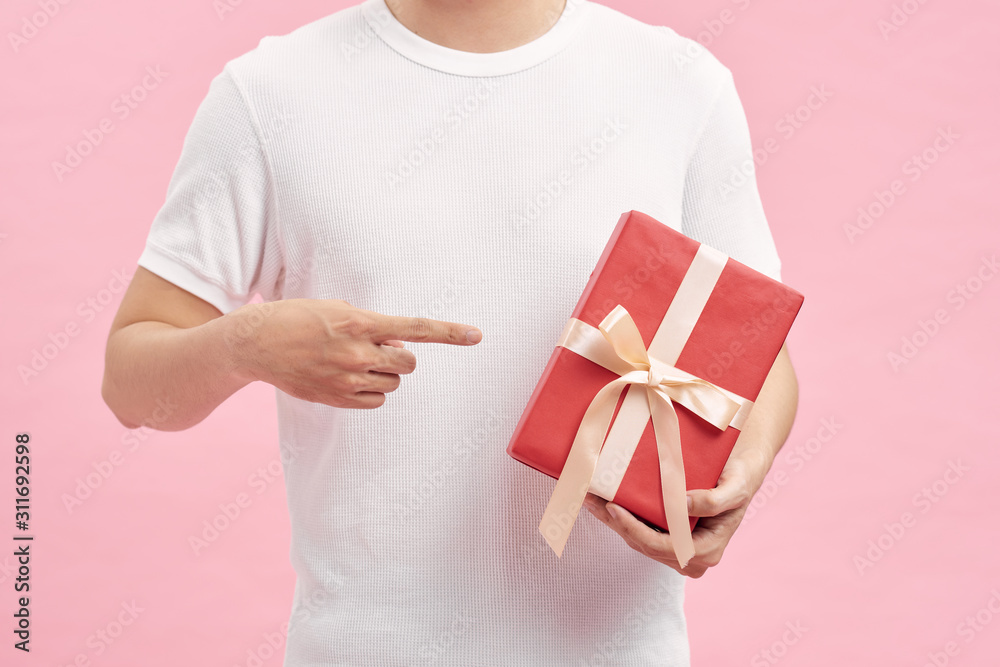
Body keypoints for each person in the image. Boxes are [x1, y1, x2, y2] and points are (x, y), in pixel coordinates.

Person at [102, 0, 799, 664]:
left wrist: (738, 479)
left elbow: (759, 356)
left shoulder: (679, 85)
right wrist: (245, 343)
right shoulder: (269, 93)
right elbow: (131, 382)